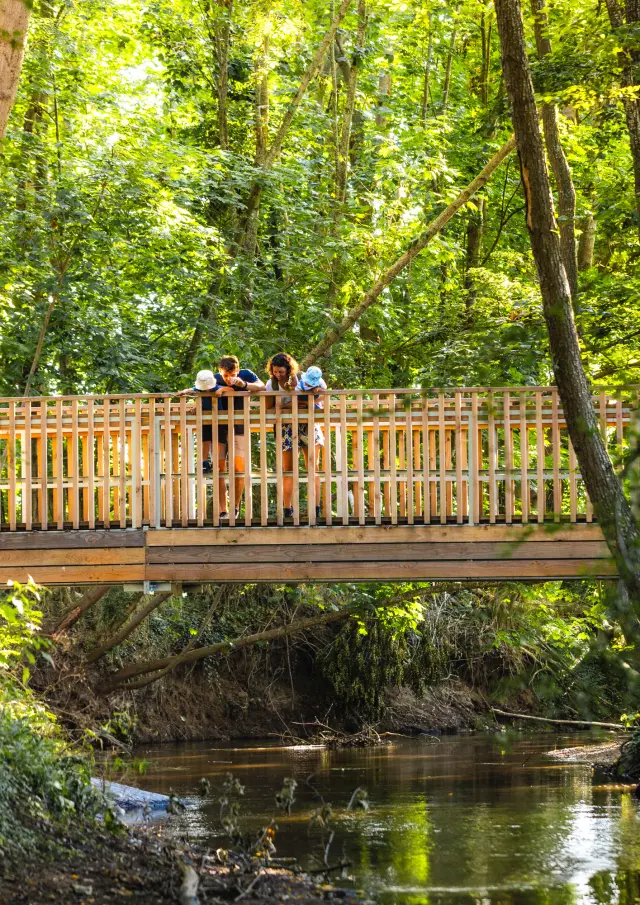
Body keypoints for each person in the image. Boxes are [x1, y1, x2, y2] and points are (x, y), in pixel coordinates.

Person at [179, 356, 263, 519]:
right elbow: (200, 390)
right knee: (219, 469)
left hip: (240, 427)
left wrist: (242, 384)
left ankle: (236, 507)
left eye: (232, 374)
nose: (228, 378)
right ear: (219, 372)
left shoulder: (246, 374)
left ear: (237, 370)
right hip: (219, 428)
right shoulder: (214, 379)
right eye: (225, 375)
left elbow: (262, 387)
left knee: (239, 468)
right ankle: (223, 510)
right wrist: (194, 403)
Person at [265, 354, 326, 519]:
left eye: (281, 371)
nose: (278, 374)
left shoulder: (304, 377)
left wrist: (301, 403)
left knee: (313, 466)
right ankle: (287, 509)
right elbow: (270, 408)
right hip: (286, 426)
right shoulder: (272, 384)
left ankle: (316, 507)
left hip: (309, 424)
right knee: (289, 469)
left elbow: (323, 393)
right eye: (275, 371)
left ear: (289, 369)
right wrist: (292, 405)